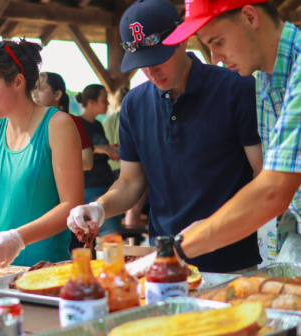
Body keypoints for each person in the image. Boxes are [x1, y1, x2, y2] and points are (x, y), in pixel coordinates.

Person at [67, 0, 264, 274]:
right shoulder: (134, 104)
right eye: (141, 64)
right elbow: (130, 182)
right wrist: (98, 207)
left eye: (157, 59)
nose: (150, 72)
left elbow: (263, 173)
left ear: (182, 40)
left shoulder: (236, 87)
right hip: (162, 262)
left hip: (231, 262)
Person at [135, 0, 301, 273]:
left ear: (249, 16)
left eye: (218, 41)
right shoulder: (267, 79)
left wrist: (173, 251)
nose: (215, 58)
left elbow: (273, 190)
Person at [0, 39, 84, 267]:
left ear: (18, 82)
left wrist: (18, 239)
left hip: (40, 268)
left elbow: (71, 205)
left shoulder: (57, 124)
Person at [74, 84, 122, 242]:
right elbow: (72, 153)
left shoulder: (98, 125)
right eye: (104, 100)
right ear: (91, 102)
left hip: (107, 185)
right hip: (91, 186)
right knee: (112, 237)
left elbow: (99, 153)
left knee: (112, 237)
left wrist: (111, 151)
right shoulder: (77, 124)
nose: (108, 103)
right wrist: (97, 148)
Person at [104, 86, 149, 227]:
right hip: (131, 166)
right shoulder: (136, 118)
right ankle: (132, 242)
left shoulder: (107, 121)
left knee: (124, 210)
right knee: (134, 210)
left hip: (111, 169)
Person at [32, 72, 93, 171]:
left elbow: (87, 162)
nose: (34, 93)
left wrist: (45, 164)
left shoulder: (73, 122)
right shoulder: (29, 123)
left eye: (41, 89)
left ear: (57, 94)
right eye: (34, 88)